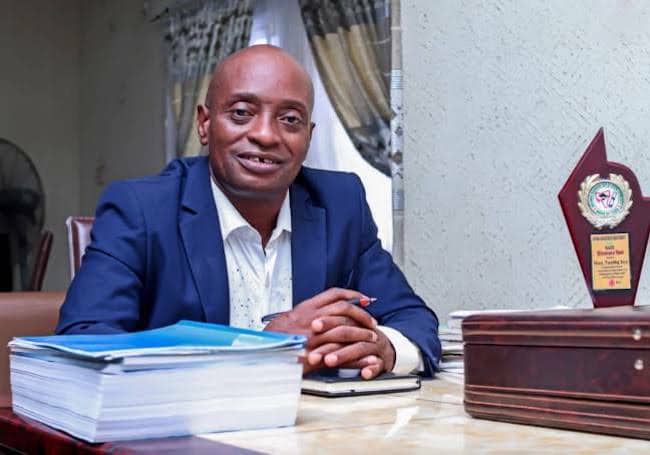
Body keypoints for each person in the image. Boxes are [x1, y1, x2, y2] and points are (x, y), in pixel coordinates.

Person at [57, 45, 441, 379]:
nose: (266, 135)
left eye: (289, 120)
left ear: (308, 137)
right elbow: (84, 344)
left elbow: (414, 320)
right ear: (205, 124)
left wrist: (384, 348)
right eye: (242, 113)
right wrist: (264, 349)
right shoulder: (141, 210)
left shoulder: (340, 204)